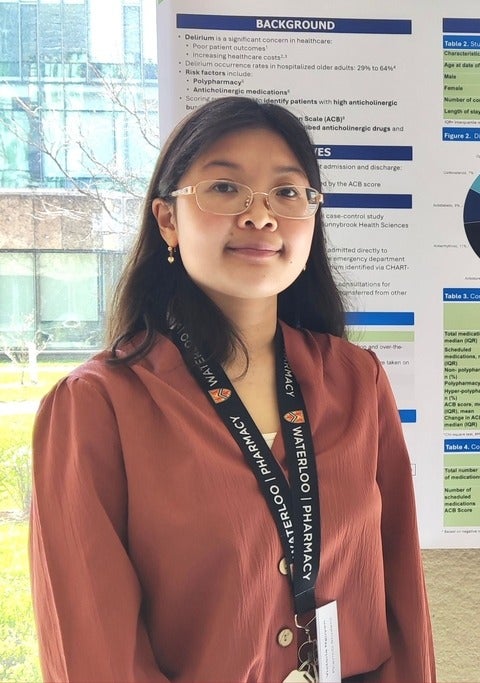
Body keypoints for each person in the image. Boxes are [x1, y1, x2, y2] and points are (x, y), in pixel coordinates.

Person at [30, 96, 435, 682]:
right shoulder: (96, 407)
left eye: (288, 193)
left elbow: (402, 598)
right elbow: (94, 650)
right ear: (168, 218)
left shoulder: (358, 380)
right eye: (224, 189)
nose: (261, 216)